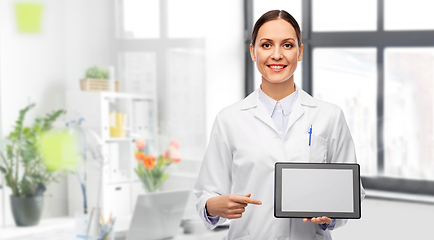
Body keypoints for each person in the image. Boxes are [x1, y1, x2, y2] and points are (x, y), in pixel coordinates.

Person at [194, 10, 365, 240]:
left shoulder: (330, 116)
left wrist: (331, 215)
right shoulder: (229, 119)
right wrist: (213, 206)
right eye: (266, 45)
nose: (276, 55)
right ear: (253, 52)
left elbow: (351, 190)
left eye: (287, 45)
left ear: (300, 51)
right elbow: (207, 193)